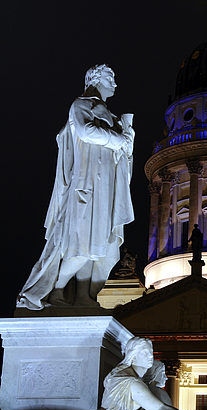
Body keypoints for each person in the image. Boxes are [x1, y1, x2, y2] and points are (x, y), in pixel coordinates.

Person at [16, 64, 134, 309]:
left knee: (107, 252)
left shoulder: (112, 117)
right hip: (87, 185)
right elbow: (85, 131)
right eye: (111, 79)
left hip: (107, 188)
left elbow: (124, 154)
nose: (115, 84)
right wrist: (119, 139)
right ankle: (56, 289)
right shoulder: (82, 105)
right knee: (83, 246)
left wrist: (128, 136)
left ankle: (83, 296)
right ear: (96, 79)